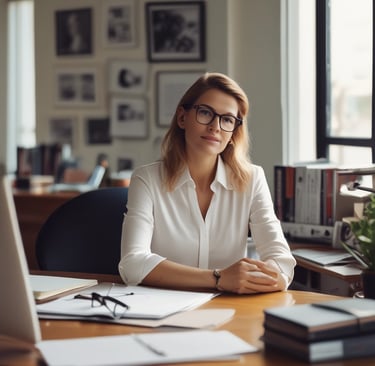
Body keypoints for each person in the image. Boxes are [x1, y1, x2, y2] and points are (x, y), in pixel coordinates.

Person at [119, 72, 296, 294]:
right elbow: (132, 264)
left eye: (227, 120)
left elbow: (281, 261)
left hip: (228, 309)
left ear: (234, 132)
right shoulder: (147, 179)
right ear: (182, 118)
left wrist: (271, 276)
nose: (215, 127)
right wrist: (218, 278)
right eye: (205, 113)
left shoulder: (252, 179)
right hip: (161, 307)